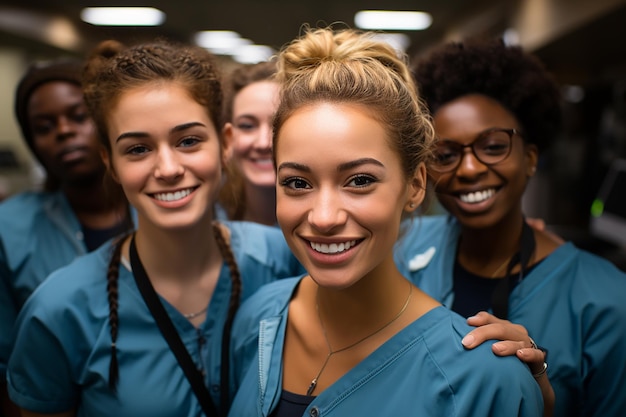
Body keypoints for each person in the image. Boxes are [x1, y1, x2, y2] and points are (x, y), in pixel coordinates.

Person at [227, 27, 543, 416]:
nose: (324, 217)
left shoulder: (482, 381)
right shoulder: (258, 322)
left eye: (360, 181)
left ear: (414, 186)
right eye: (297, 182)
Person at [7, 39, 303, 417]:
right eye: (137, 149)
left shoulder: (286, 260)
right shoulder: (61, 311)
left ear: (225, 143)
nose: (167, 168)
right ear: (110, 162)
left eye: (189, 141)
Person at [394, 37, 626, 417]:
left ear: (530, 158)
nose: (469, 169)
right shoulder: (399, 251)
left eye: (493, 146)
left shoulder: (606, 302)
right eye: (446, 154)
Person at [0, 58, 133, 417]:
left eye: (78, 116)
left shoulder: (164, 207)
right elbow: (6, 361)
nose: (63, 131)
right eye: (44, 126)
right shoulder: (8, 227)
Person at [218, 60, 279, 226]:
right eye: (247, 126)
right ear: (227, 137)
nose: (264, 143)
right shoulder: (208, 216)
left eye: (278, 125)